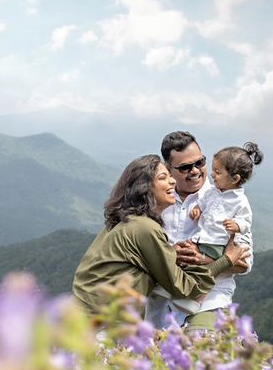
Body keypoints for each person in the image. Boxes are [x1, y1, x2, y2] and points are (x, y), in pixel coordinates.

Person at [72, 154, 247, 316]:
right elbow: (183, 287)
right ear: (144, 188)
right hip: (103, 324)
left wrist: (169, 253)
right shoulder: (144, 228)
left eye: (169, 175)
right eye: (163, 177)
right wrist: (226, 260)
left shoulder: (129, 220)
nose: (172, 181)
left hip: (87, 317)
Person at [145, 132, 254, 332]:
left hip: (209, 302)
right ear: (169, 169)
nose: (195, 171)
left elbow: (244, 262)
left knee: (198, 355)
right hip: (159, 304)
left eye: (200, 163)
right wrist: (170, 255)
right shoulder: (156, 202)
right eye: (185, 167)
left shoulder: (229, 203)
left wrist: (202, 259)